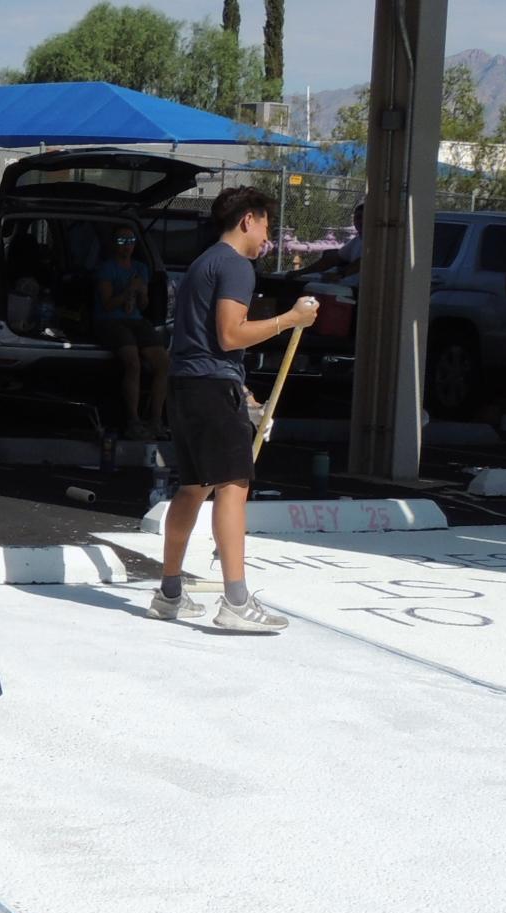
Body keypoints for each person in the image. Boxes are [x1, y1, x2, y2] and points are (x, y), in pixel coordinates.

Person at [151, 187, 317, 633]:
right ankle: (237, 601)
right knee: (232, 485)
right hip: (208, 386)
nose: (268, 236)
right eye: (266, 224)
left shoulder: (204, 263)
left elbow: (205, 341)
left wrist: (241, 392)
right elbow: (229, 334)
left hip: (188, 383)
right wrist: (290, 319)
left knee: (193, 486)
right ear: (248, 219)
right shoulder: (235, 266)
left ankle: (169, 592)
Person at [92, 227, 168, 438]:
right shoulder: (107, 269)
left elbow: (143, 306)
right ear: (114, 244)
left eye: (130, 241)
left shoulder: (140, 269)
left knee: (163, 363)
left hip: (135, 320)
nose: (127, 246)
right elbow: (107, 304)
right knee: (132, 362)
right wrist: (127, 291)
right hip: (110, 320)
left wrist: (141, 292)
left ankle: (156, 419)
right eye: (122, 240)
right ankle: (133, 420)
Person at [299, 200, 364, 281]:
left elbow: (363, 262)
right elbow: (333, 259)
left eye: (364, 217)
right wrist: (301, 272)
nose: (360, 221)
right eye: (358, 218)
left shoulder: (376, 241)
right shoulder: (356, 241)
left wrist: (340, 274)